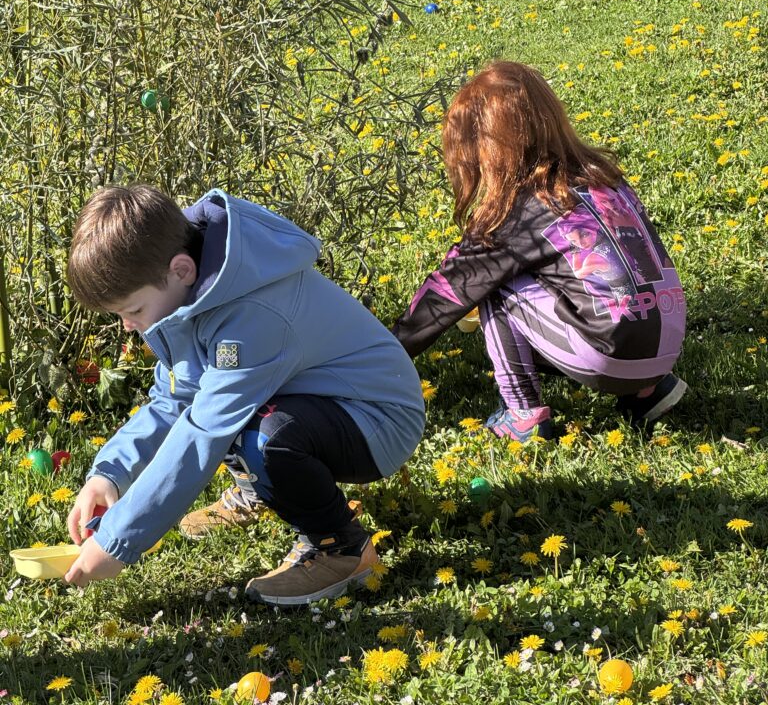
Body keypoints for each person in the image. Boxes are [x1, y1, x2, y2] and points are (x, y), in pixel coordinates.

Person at [63, 185, 425, 605]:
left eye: (133, 310)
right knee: (237, 413)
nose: (127, 326)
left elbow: (204, 432)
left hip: (378, 420)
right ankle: (258, 489)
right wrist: (109, 473)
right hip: (320, 402)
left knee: (259, 434)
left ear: (181, 270)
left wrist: (119, 540)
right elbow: (174, 399)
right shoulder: (191, 291)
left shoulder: (252, 316)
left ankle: (342, 549)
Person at [392, 60, 687, 442]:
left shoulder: (519, 212)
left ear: (491, 144)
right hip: (666, 341)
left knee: (492, 283)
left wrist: (383, 352)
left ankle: (523, 414)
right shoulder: (605, 180)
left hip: (610, 354)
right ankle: (646, 392)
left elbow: (450, 290)